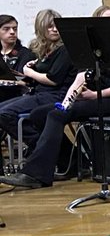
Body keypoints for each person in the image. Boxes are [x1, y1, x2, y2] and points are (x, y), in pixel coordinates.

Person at [3, 6, 110, 190]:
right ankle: (70, 161)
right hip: (93, 97)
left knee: (55, 116)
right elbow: (80, 77)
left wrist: (95, 95)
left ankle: (36, 174)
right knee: (39, 114)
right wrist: (66, 103)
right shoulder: (93, 49)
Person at [0, 9, 74, 145]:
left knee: (4, 114)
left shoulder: (65, 49)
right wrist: (34, 66)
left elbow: (53, 79)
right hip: (39, 93)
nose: (55, 30)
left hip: (56, 95)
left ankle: (43, 147)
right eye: (50, 27)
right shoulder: (44, 49)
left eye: (57, 26)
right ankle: (45, 147)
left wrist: (29, 72)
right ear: (41, 28)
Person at [0, 14, 36, 103]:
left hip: (15, 96)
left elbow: (22, 81)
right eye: (6, 29)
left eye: (15, 29)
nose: (12, 32)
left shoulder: (25, 54)